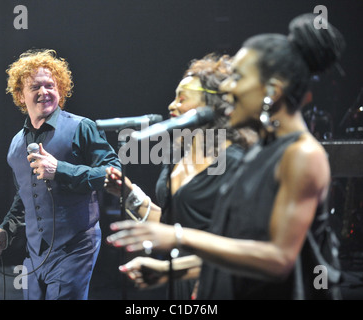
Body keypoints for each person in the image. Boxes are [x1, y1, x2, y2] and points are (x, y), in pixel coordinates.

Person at [106, 13, 346, 299]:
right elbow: (239, 247)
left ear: (273, 90)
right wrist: (171, 271)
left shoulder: (302, 154)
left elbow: (279, 259)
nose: (228, 88)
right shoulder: (260, 152)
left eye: (239, 78)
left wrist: (179, 237)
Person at [104, 54, 257, 299]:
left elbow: (247, 246)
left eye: (182, 98)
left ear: (212, 104)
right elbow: (170, 226)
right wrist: (129, 194)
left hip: (221, 282)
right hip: (179, 282)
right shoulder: (176, 158)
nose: (171, 105)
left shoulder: (236, 161)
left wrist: (174, 270)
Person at [0, 49, 121, 300]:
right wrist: (6, 229)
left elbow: (113, 173)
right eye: (35, 87)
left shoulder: (81, 127)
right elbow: (24, 195)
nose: (44, 92)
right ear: (20, 95)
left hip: (75, 246)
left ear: (61, 90)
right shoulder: (16, 144)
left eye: (50, 85)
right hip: (34, 253)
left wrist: (61, 170)